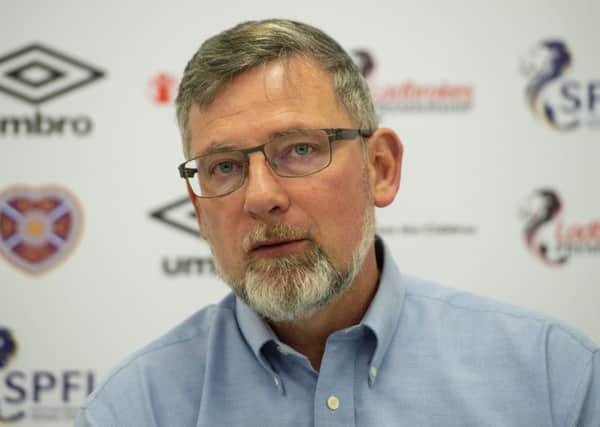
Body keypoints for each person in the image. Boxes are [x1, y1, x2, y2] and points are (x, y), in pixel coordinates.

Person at [76, 19, 599, 426]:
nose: (261, 197)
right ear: (199, 210)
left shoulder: (552, 377)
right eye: (225, 167)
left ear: (380, 170)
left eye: (299, 149)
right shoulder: (132, 409)